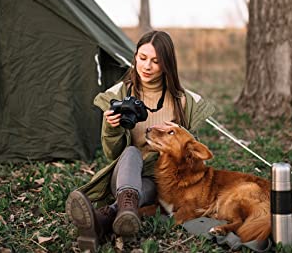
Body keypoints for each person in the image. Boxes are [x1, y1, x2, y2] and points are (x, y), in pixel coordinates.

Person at [65, 30, 214, 252]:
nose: (146, 66)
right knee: (132, 153)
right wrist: (111, 127)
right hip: (126, 169)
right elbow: (112, 154)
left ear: (167, 64)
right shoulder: (120, 93)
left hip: (158, 179)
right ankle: (123, 210)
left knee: (150, 185)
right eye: (142, 58)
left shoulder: (182, 101)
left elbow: (189, 154)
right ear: (135, 56)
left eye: (155, 61)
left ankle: (102, 220)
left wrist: (179, 131)